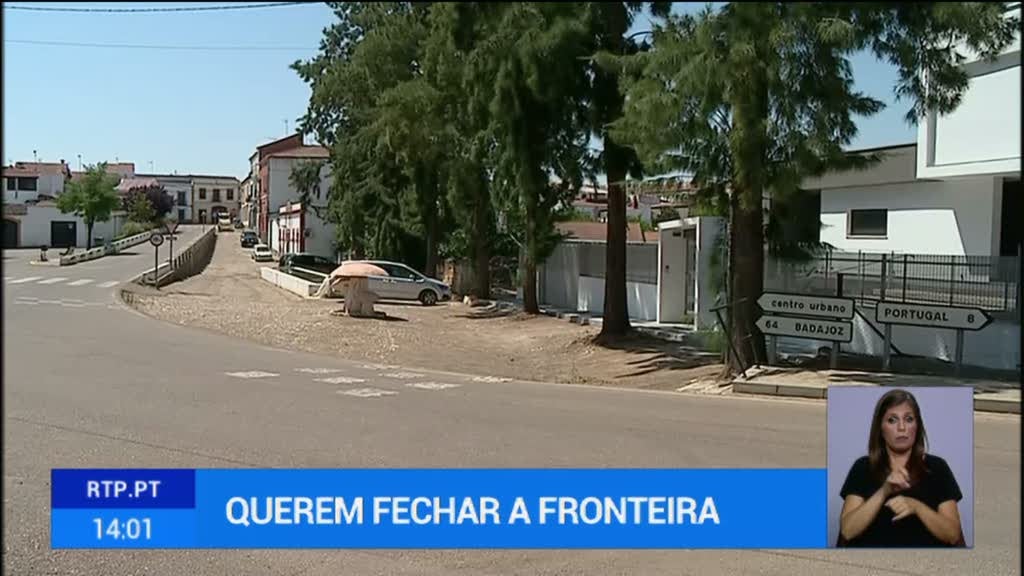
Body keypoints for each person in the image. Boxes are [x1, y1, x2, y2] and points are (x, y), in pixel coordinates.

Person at [837, 389, 965, 547]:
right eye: (892, 420)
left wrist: (917, 507)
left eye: (909, 419)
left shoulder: (937, 467)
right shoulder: (863, 467)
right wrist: (884, 491)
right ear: (880, 429)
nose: (902, 427)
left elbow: (953, 535)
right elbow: (847, 531)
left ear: (917, 426)